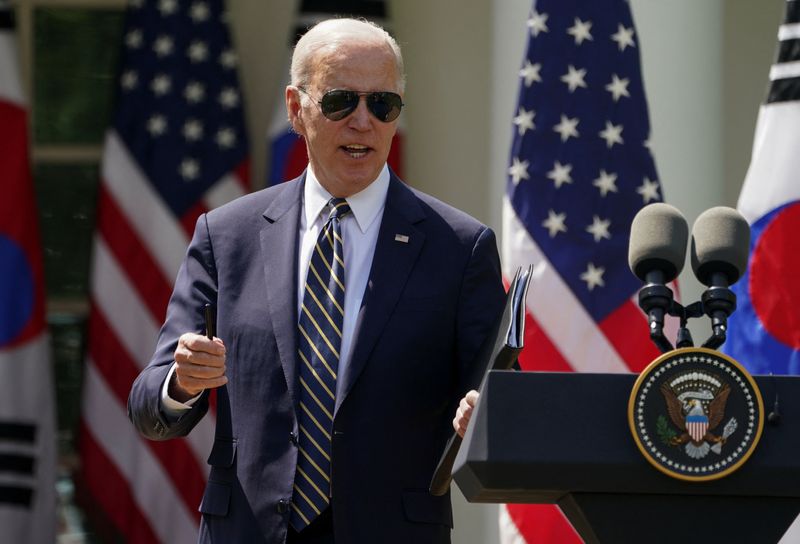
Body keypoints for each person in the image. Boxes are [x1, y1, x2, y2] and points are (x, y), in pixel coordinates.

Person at [128, 17, 505, 544]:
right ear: (295, 108)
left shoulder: (461, 248)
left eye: (383, 105)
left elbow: (501, 405)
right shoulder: (227, 236)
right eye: (340, 102)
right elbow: (149, 406)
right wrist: (183, 382)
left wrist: (483, 419)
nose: (362, 122)